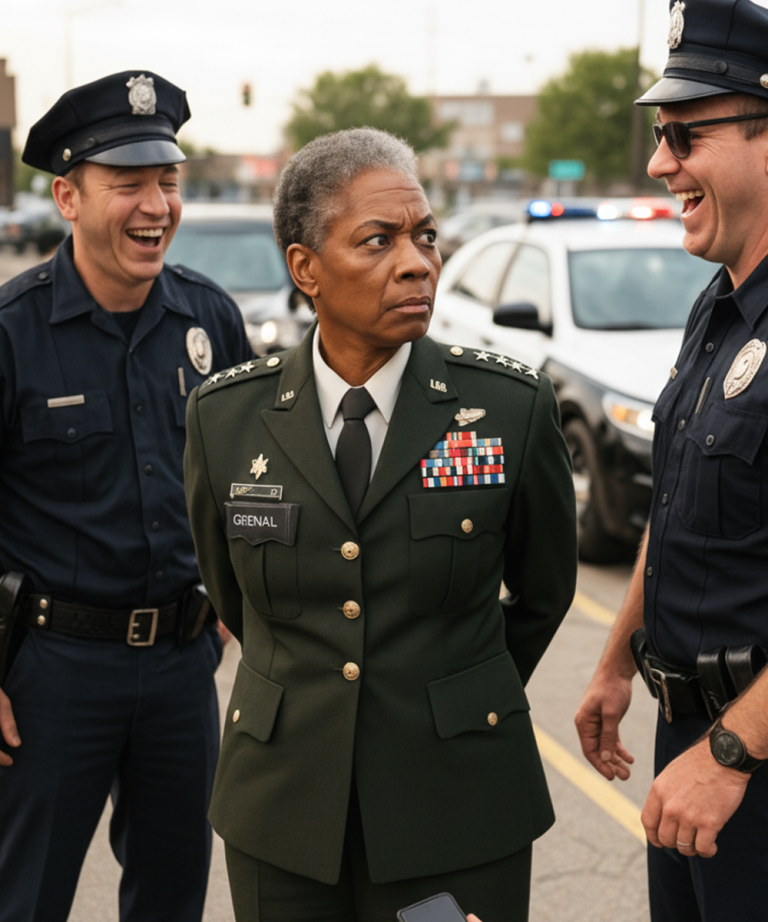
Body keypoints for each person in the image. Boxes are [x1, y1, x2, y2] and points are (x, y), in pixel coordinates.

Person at [184, 127, 577, 922]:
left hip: (457, 804)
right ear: (306, 269)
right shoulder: (226, 416)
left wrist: (453, 696)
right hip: (285, 808)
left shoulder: (509, 407)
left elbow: (545, 591)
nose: (417, 262)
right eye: (378, 240)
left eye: (424, 236)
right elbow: (237, 598)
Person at [0, 71, 253, 922]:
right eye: (128, 183)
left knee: (173, 898)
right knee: (25, 898)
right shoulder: (11, 332)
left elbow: (250, 474)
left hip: (182, 666)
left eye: (168, 180)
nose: (156, 206)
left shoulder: (210, 320)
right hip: (51, 671)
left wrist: (236, 594)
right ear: (68, 197)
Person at [575, 1, 768, 919]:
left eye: (686, 134)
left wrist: (731, 754)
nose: (660, 162)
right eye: (660, 135)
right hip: (690, 735)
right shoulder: (717, 305)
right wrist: (619, 659)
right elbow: (680, 506)